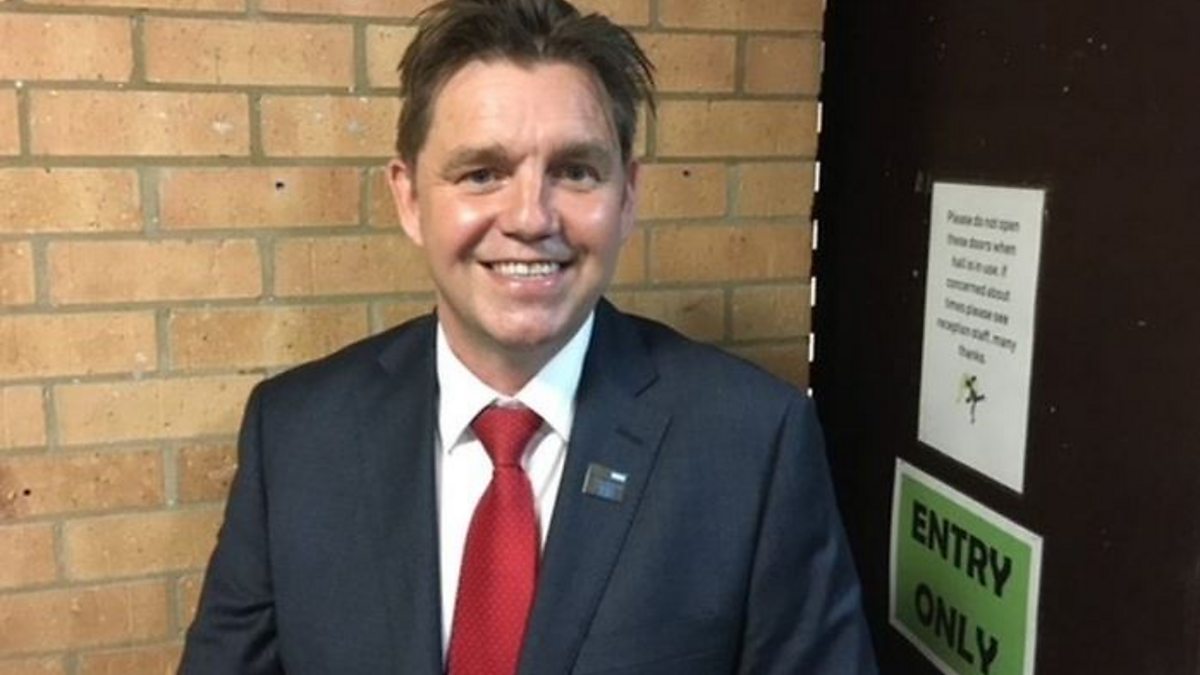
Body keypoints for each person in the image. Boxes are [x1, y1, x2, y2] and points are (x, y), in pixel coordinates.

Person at [180, 0, 877, 672]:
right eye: (483, 173)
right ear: (410, 198)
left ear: (627, 197)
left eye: (575, 171)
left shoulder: (754, 444)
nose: (530, 218)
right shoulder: (295, 435)